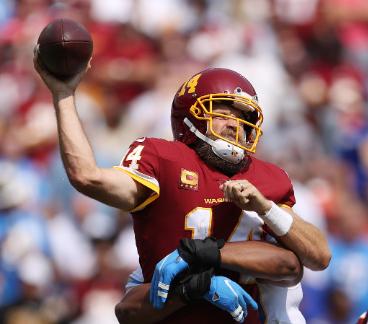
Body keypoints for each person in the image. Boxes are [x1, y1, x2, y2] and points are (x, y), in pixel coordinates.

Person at [33, 47, 331, 323]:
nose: (235, 125)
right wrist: (64, 94)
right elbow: (87, 177)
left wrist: (261, 210)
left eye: (243, 118)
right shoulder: (165, 159)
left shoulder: (267, 179)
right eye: (224, 112)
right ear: (191, 118)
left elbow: (313, 258)